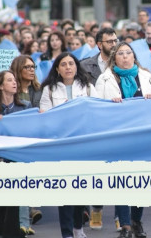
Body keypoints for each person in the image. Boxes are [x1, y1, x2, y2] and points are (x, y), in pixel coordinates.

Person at [96, 42, 151, 238]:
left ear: (134, 57)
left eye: (128, 53)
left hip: (143, 137)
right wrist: (110, 104)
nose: (125, 57)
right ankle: (124, 226)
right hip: (118, 137)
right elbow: (96, 107)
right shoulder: (105, 79)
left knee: (140, 182)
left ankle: (136, 222)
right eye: (121, 54)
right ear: (114, 58)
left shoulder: (146, 76)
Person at [38, 53, 98, 238]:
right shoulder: (49, 89)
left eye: (71, 63)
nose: (68, 67)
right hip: (61, 144)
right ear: (57, 69)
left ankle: (78, 227)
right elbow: (44, 116)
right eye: (63, 64)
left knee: (80, 188)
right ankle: (67, 233)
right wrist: (60, 110)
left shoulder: (87, 86)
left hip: (82, 143)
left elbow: (96, 110)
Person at [0, 70, 31, 237]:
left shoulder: (24, 106)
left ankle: (12, 233)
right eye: (10, 80)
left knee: (14, 199)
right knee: (0, 199)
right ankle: (0, 231)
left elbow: (29, 129)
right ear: (1, 86)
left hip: (16, 159)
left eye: (14, 80)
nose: (15, 82)